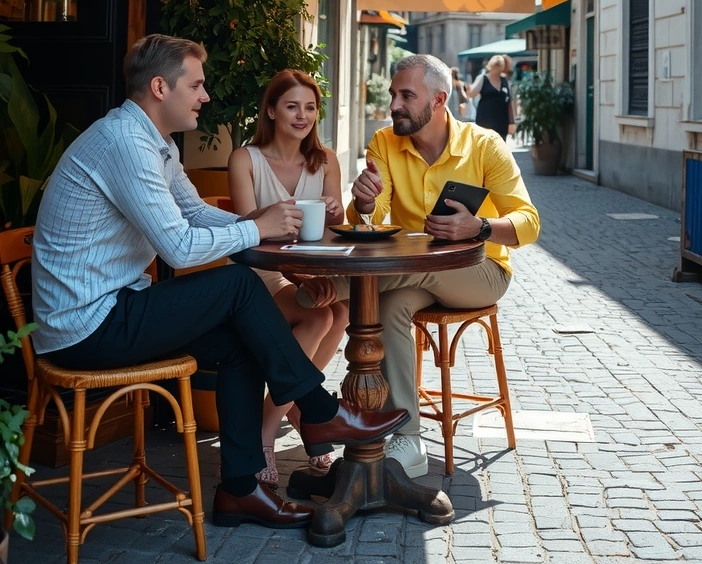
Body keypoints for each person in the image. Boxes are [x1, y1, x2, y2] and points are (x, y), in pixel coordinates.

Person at [31, 34, 409, 530]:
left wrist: (265, 221)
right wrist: (256, 228)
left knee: (239, 341)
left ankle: (241, 490)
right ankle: (318, 410)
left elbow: (195, 213)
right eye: (198, 84)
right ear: (161, 87)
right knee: (237, 288)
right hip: (86, 327)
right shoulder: (125, 143)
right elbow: (179, 248)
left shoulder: (156, 144)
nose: (205, 96)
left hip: (117, 307)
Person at [297, 54, 539, 478]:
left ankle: (337, 285)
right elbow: (372, 219)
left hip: (480, 273)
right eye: (393, 94)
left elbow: (528, 223)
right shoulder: (384, 143)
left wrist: (478, 226)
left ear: (440, 99)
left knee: (411, 268)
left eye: (407, 95)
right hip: (413, 273)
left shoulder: (484, 146)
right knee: (388, 307)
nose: (394, 104)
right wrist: (367, 202)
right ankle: (408, 438)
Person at [228, 69, 349, 487]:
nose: (303, 116)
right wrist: (296, 276)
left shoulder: (326, 160)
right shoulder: (245, 159)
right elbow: (247, 235)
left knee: (343, 311)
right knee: (319, 318)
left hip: (302, 273)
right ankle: (270, 429)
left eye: (310, 107)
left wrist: (336, 215)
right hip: (256, 278)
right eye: (292, 106)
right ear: (271, 110)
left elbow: (333, 235)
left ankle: (298, 409)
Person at [466, 54, 515, 141]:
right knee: (485, 144)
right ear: (491, 66)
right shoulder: (482, 78)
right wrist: (467, 88)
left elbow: (509, 101)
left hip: (502, 121)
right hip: (485, 120)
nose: (497, 69)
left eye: (499, 66)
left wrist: (511, 122)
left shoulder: (504, 80)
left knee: (500, 146)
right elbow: (472, 93)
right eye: (496, 66)